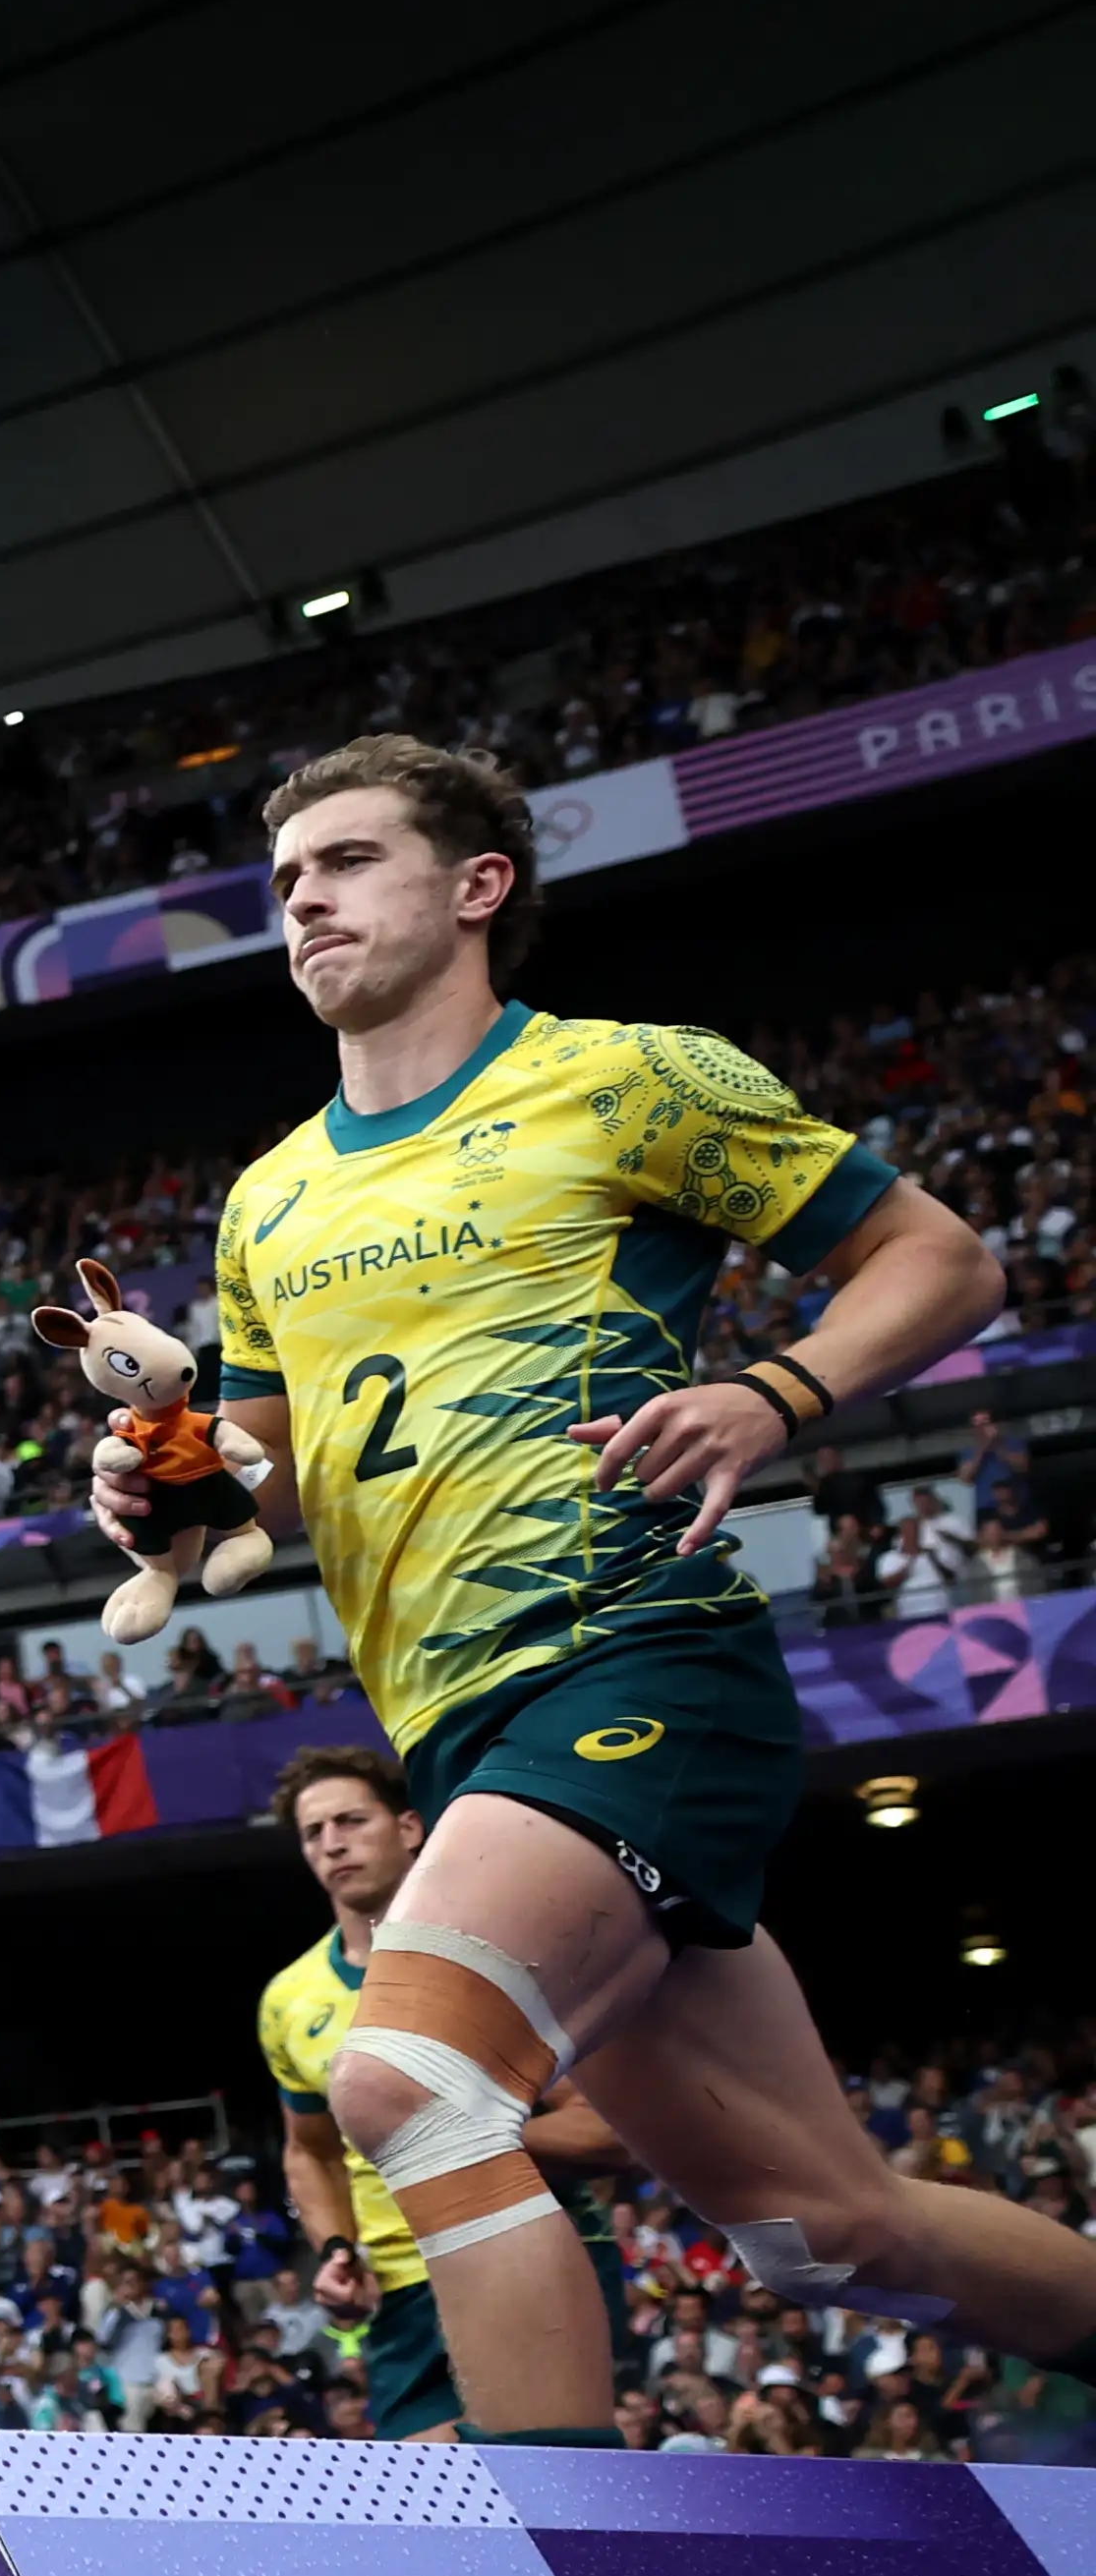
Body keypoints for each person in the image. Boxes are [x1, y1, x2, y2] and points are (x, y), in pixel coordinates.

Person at [145, 733, 1096, 2438]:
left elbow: (942, 1258)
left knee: (410, 2085)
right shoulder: (269, 1199)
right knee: (830, 2235)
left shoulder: (631, 1080)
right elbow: (261, 1476)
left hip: (631, 1658)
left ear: (477, 886)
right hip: (457, 1730)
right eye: (287, 880)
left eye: (349, 862)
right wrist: (161, 1493)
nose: (304, 900)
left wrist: (773, 1390)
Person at [253, 1741, 629, 2437]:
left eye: (351, 1822)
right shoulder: (288, 2000)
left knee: (553, 2484)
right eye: (314, 1833)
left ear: (408, 1828)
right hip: (401, 2294)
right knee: (446, 2515)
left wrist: (460, 2135)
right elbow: (310, 2152)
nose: (333, 1844)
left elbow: (609, 2132)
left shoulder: (507, 1953)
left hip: (527, 2248)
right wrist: (338, 2250)